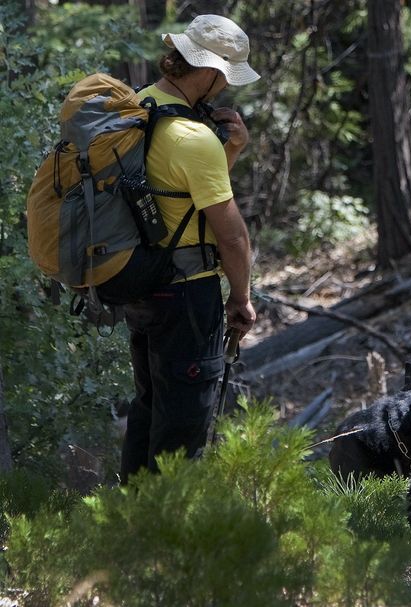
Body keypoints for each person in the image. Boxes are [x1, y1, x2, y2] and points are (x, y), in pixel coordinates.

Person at [119, 15, 259, 483]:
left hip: (142, 282)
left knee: (150, 407)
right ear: (210, 71)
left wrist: (232, 151)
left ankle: (128, 526)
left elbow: (174, 196)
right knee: (183, 426)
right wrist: (240, 297)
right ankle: (170, 540)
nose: (223, 89)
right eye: (224, 77)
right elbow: (233, 236)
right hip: (187, 295)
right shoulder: (194, 138)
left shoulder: (139, 106)